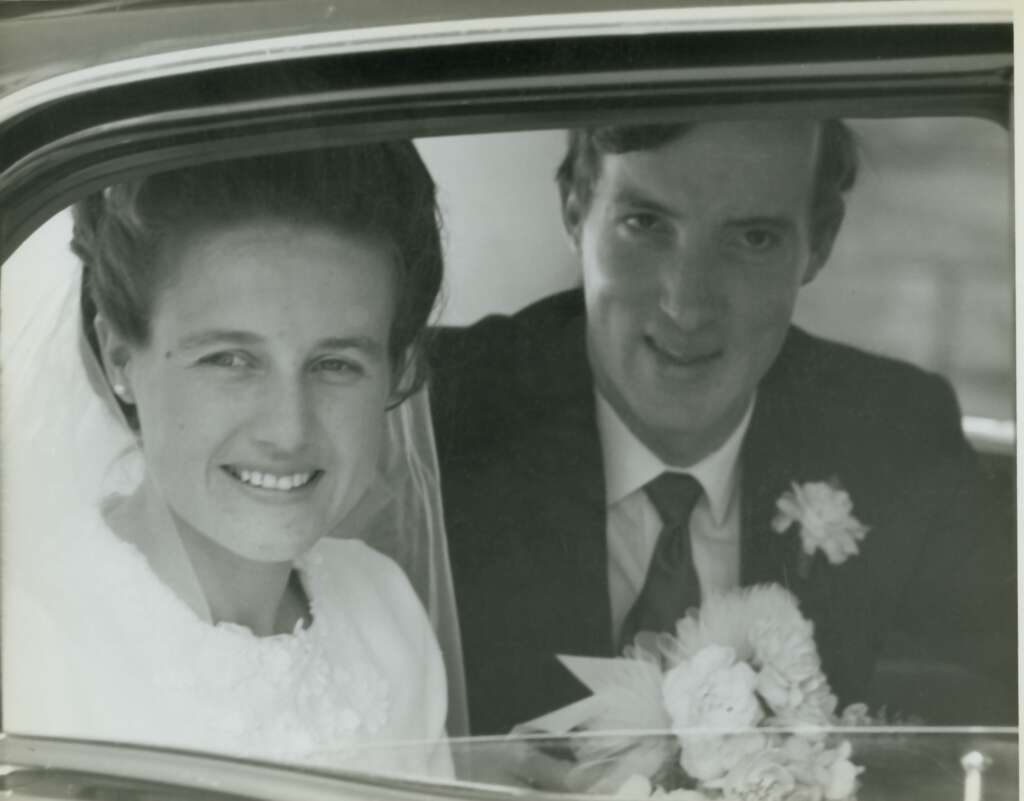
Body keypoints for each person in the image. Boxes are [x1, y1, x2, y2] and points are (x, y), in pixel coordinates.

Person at [430, 120, 1015, 736]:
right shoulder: (441, 411)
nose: (686, 305)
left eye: (753, 238)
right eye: (646, 224)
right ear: (575, 207)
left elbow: (969, 727)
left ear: (818, 244)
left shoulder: (898, 433)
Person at [2, 143, 463, 776]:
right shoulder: (25, 640)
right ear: (119, 358)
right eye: (229, 359)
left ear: (394, 373)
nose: (288, 429)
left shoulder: (385, 615)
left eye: (336, 365)